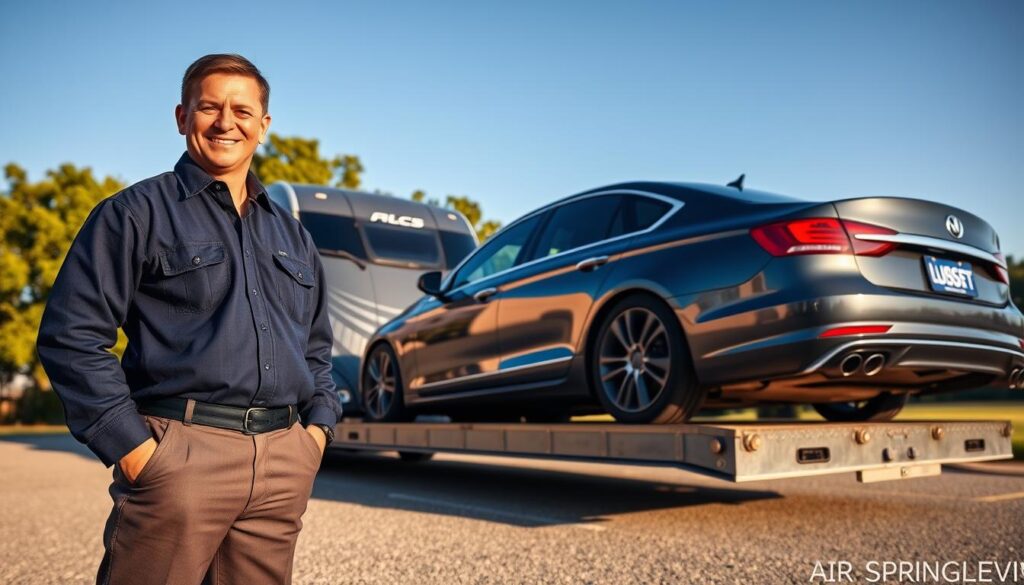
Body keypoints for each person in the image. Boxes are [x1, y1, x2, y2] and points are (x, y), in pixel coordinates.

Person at [36, 53, 343, 585]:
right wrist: (136, 452)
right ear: (182, 117)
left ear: (264, 126)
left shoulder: (293, 237)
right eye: (210, 106)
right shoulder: (133, 214)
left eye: (243, 111)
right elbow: (72, 336)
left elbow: (315, 347)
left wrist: (315, 434)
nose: (227, 122)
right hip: (179, 458)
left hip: (282, 467)